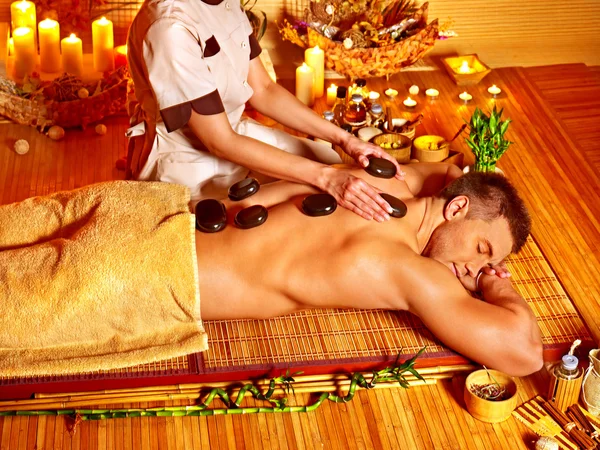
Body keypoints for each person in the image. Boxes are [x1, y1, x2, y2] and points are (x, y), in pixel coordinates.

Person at [195, 164, 543, 376]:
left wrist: (481, 258)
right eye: (481, 250)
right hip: (168, 278)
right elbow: (525, 354)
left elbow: (451, 171)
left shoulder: (383, 178)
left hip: (177, 215)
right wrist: (495, 285)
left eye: (487, 265)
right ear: (456, 207)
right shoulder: (404, 267)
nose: (473, 268)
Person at [126, 0, 402, 222]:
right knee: (317, 194)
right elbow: (219, 141)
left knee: (330, 158)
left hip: (235, 132)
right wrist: (326, 179)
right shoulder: (170, 27)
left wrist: (345, 140)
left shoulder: (226, 3)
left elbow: (264, 90)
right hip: (188, 160)